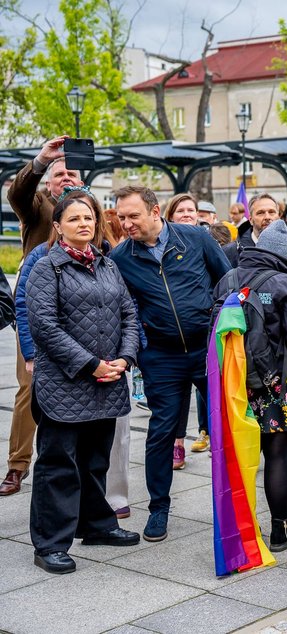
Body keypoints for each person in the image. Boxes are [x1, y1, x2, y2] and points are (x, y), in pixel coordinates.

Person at [25, 196, 141, 574]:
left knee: (95, 460)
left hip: (107, 381)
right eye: (73, 218)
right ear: (58, 226)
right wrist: (91, 365)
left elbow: (128, 313)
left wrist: (125, 358)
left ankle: (96, 524)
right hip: (66, 383)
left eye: (88, 217)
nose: (83, 223)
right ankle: (50, 543)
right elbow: (44, 327)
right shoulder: (47, 269)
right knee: (59, 465)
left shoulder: (107, 265)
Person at [111, 185, 231, 543]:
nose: (127, 223)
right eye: (121, 217)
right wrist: (140, 350)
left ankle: (235, 508)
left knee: (226, 427)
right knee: (161, 433)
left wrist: (218, 325)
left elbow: (227, 281)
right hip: (161, 357)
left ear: (154, 211)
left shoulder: (196, 237)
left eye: (133, 215)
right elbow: (125, 310)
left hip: (206, 350)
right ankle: (158, 508)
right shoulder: (121, 258)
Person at [215, 220, 287, 552]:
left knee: (242, 456)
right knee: (277, 455)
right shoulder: (284, 281)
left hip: (235, 380)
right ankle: (281, 529)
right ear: (285, 256)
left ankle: (243, 527)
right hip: (280, 381)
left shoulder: (229, 277)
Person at [2, 135, 81, 497]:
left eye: (72, 174)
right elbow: (17, 193)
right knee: (29, 386)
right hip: (35, 308)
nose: (66, 178)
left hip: (79, 310)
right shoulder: (37, 206)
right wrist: (40, 162)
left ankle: (74, 462)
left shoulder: (87, 209)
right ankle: (18, 465)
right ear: (49, 180)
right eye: (60, 174)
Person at [164, 193, 211, 462]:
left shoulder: (204, 241)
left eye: (191, 210)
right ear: (170, 216)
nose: (187, 214)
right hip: (173, 339)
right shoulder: (163, 245)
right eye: (180, 210)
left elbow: (222, 275)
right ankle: (177, 444)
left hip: (202, 332)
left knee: (211, 392)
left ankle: (213, 437)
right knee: (178, 395)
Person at [223, 193, 282, 267]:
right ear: (251, 220)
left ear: (279, 217)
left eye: (271, 212)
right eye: (260, 213)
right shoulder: (229, 252)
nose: (267, 217)